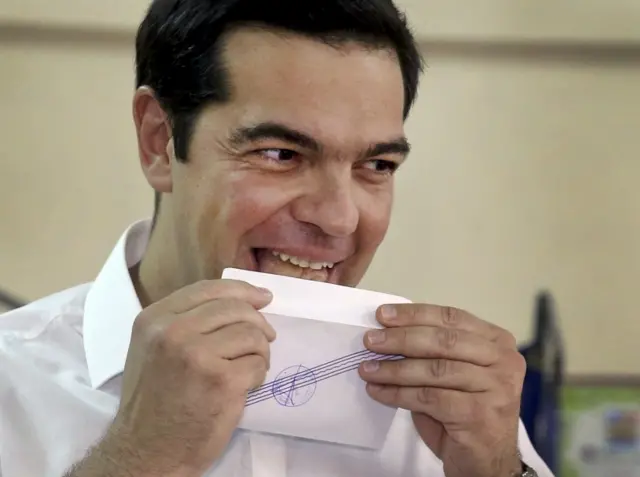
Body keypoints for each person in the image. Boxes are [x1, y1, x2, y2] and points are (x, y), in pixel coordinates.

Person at [0, 1, 553, 476]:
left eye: (377, 165)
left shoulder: (441, 414)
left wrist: (502, 468)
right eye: (280, 155)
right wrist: (139, 459)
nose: (338, 218)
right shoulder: (13, 382)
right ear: (159, 141)